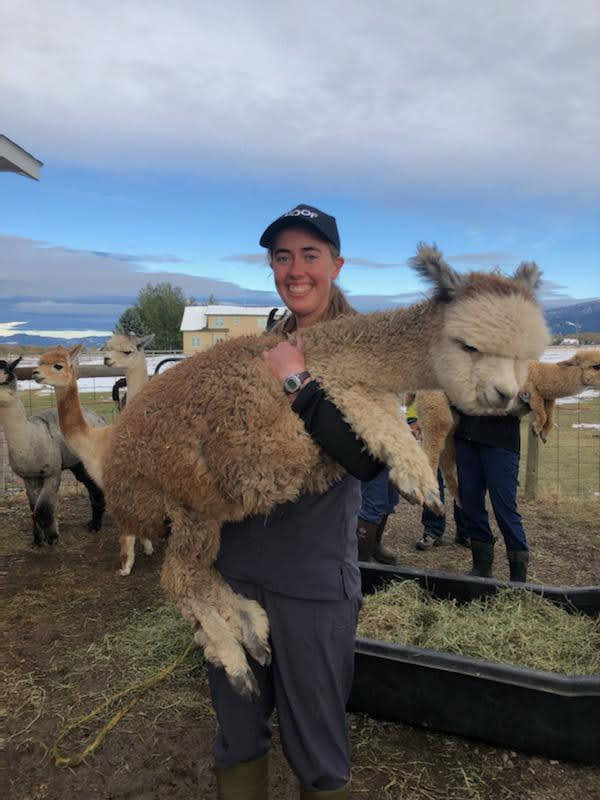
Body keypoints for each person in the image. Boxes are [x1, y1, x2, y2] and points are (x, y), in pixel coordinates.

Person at [208, 203, 383, 800]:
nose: (295, 269)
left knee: (318, 750)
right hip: (232, 576)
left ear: (336, 263)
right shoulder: (259, 346)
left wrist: (296, 382)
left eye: (310, 255)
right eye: (282, 257)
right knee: (237, 736)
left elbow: (369, 458)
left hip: (310, 581)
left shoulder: (360, 349)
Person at [453, 409, 529, 581]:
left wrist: (511, 405)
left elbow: (532, 394)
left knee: (504, 508)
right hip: (466, 438)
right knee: (470, 503)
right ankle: (481, 567)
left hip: (501, 441)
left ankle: (518, 579)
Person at [406, 401, 469, 551]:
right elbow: (420, 387)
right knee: (432, 475)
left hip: (462, 424)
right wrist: (413, 419)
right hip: (432, 422)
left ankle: (466, 531)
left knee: (462, 475)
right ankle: (433, 529)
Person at [356, 467, 400, 564]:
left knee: (390, 497)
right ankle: (362, 558)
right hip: (375, 458)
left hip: (395, 456)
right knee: (373, 502)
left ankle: (374, 545)